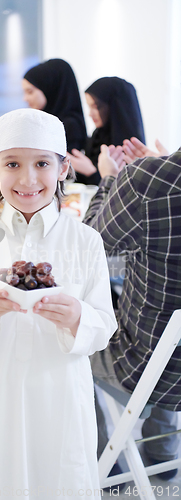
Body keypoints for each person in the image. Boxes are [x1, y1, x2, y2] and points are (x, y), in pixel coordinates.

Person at [0, 108, 117, 498]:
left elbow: (104, 326)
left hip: (59, 391)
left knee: (59, 478)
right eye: (12, 164)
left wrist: (78, 318)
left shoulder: (85, 241)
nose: (27, 178)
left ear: (63, 169)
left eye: (42, 163)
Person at [83, 144, 181, 481]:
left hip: (140, 367)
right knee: (170, 334)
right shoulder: (153, 177)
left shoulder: (147, 180)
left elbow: (89, 247)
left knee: (71, 340)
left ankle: (101, 462)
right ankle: (162, 452)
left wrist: (110, 180)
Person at [70, 76, 146, 185]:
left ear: (114, 107)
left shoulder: (130, 147)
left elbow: (124, 190)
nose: (90, 114)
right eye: (89, 107)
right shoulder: (97, 136)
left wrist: (91, 172)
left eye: (96, 107)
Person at [22, 58, 87, 156]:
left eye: (30, 92)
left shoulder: (69, 126)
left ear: (50, 89)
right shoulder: (44, 122)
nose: (25, 98)